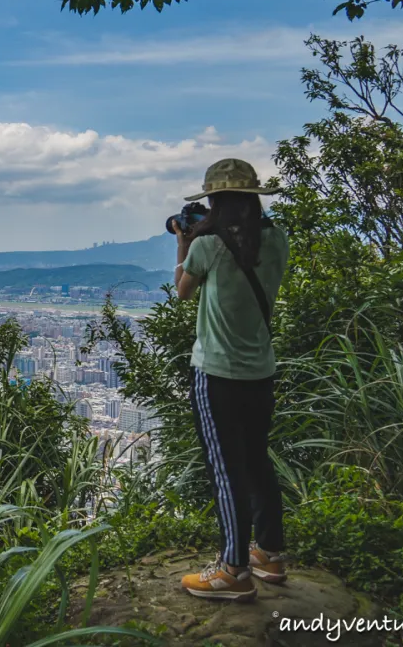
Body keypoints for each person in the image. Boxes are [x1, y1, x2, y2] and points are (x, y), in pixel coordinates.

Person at [172, 158, 290, 601]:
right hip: (261, 371)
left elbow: (183, 292)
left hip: (217, 373)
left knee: (225, 470)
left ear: (215, 201)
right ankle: (270, 555)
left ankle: (233, 569)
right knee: (257, 461)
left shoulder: (208, 245)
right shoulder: (277, 239)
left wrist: (184, 243)